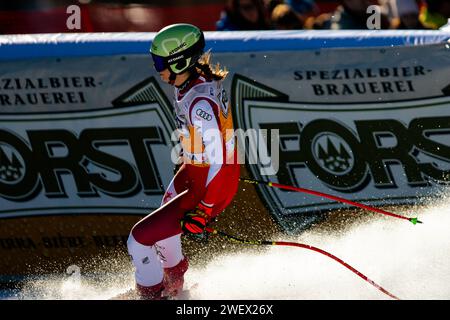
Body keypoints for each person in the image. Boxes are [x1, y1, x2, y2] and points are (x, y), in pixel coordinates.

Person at [126, 23, 240, 299]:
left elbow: (221, 161)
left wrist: (205, 209)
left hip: (211, 183)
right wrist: (189, 157)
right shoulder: (192, 84)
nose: (158, 69)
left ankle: (153, 293)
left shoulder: (198, 102)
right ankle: (173, 279)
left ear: (179, 62)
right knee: (164, 223)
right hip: (197, 171)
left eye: (160, 63)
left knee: (139, 240)